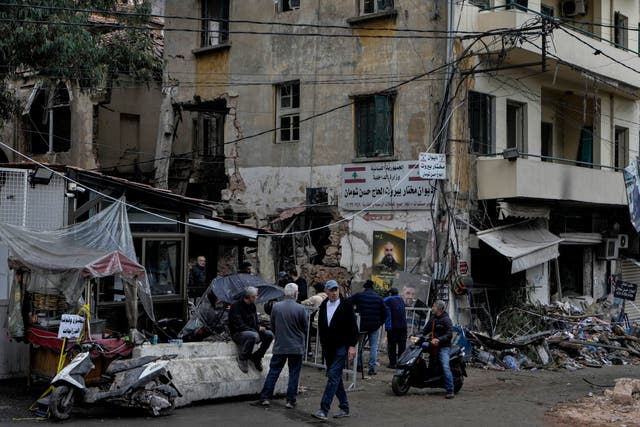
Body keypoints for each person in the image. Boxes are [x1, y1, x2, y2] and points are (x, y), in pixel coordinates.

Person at [312, 280, 359, 421]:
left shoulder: (346, 305)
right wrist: (322, 344)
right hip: (328, 347)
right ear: (326, 291)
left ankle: (323, 409)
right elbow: (321, 325)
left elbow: (353, 327)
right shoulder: (324, 305)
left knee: (333, 376)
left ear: (338, 290)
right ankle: (344, 407)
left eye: (336, 290)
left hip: (342, 347)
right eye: (331, 290)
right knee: (336, 378)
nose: (334, 293)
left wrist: (352, 346)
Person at [258, 283, 308, 408]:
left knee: (274, 371)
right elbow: (305, 328)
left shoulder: (276, 307)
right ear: (296, 294)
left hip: (280, 345)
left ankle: (265, 397)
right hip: (296, 346)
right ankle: (290, 400)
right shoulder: (301, 308)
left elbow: (273, 326)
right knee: (294, 373)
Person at [228, 286, 274, 373]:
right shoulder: (236, 306)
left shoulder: (252, 306)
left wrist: (259, 328)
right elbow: (239, 325)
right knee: (253, 336)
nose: (257, 297)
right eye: (256, 296)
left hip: (252, 331)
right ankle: (243, 358)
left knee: (269, 335)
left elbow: (255, 322)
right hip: (238, 333)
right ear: (250, 297)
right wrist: (255, 330)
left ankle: (257, 357)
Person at [348, 280, 386, 376]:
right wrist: (380, 322)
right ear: (373, 288)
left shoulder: (359, 295)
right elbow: (385, 312)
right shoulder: (379, 298)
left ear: (364, 288)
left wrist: (353, 315)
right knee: (374, 347)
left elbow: (347, 302)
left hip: (361, 325)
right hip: (374, 326)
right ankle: (371, 368)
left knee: (359, 346)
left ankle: (359, 365)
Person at [421, 299, 455, 399]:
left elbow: (449, 334)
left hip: (443, 347)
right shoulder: (433, 318)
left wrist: (439, 340)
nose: (432, 308)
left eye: (434, 306)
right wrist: (416, 335)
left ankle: (450, 389)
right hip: (431, 344)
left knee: (445, 366)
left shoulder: (446, 320)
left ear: (439, 308)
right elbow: (425, 330)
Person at [383, 287, 407, 369]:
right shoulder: (401, 299)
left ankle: (392, 363)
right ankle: (401, 363)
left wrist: (386, 294)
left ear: (390, 293)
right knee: (402, 346)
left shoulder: (388, 299)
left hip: (393, 326)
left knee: (392, 345)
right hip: (403, 326)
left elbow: (382, 302)